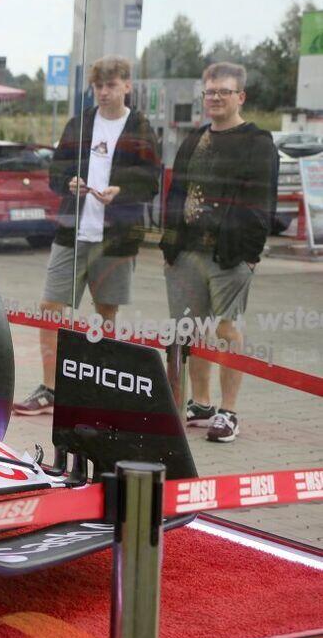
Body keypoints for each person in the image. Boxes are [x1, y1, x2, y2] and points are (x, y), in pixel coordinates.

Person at [15, 55, 160, 414]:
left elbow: (151, 180)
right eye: (98, 86)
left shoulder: (140, 128)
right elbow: (56, 172)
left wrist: (120, 190)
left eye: (111, 85)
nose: (104, 92)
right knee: (51, 307)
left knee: (106, 311)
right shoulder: (79, 125)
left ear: (127, 86)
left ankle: (102, 387)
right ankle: (50, 388)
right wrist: (69, 182)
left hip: (116, 236)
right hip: (72, 233)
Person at [160, 62, 277, 443]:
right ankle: (201, 404)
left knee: (227, 331)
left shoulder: (257, 142)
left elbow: (262, 202)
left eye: (224, 91)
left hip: (230, 254)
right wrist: (169, 245)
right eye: (209, 92)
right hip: (186, 254)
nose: (215, 98)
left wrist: (249, 255)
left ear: (240, 96)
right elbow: (175, 195)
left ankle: (229, 412)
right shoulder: (194, 139)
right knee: (188, 332)